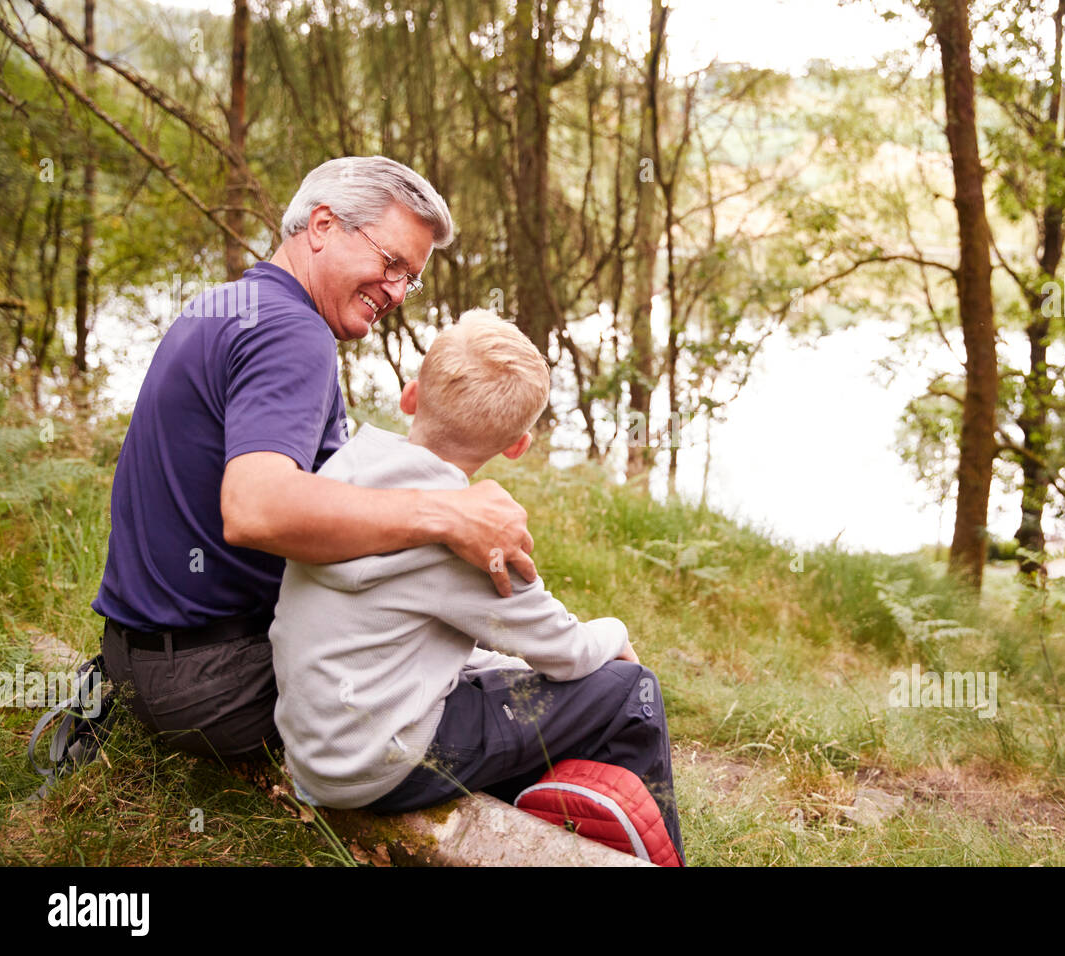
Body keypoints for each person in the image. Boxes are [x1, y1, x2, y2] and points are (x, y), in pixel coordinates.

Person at [93, 156, 537, 761]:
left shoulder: (225, 305)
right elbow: (256, 508)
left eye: (411, 277)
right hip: (214, 685)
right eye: (391, 262)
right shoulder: (293, 332)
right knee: (532, 701)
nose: (398, 291)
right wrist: (450, 514)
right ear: (323, 226)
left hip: (135, 662)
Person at [268, 310, 685, 863]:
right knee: (632, 690)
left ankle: (564, 810)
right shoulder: (469, 534)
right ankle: (647, 853)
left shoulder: (347, 472)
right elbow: (565, 652)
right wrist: (616, 632)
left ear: (410, 395)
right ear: (517, 446)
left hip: (317, 744)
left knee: (513, 677)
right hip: (377, 766)